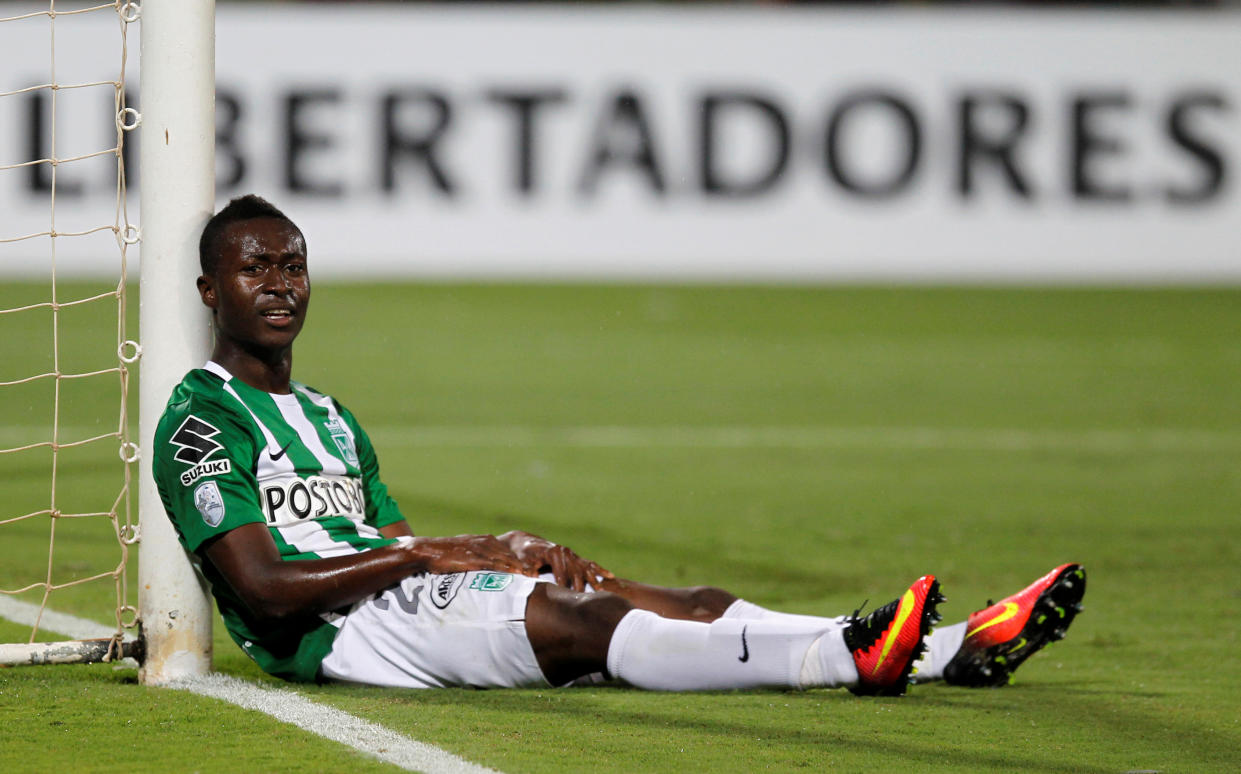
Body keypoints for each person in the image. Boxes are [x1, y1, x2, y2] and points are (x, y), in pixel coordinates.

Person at [153, 195, 1086, 695]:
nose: (281, 285)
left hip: (395, 600)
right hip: (340, 641)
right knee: (584, 627)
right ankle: (848, 656)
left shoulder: (330, 415)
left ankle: (948, 650)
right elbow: (266, 592)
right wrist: (444, 552)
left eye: (294, 265)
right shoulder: (202, 421)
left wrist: (481, 551)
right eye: (255, 269)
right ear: (209, 291)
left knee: (667, 598)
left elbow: (388, 543)